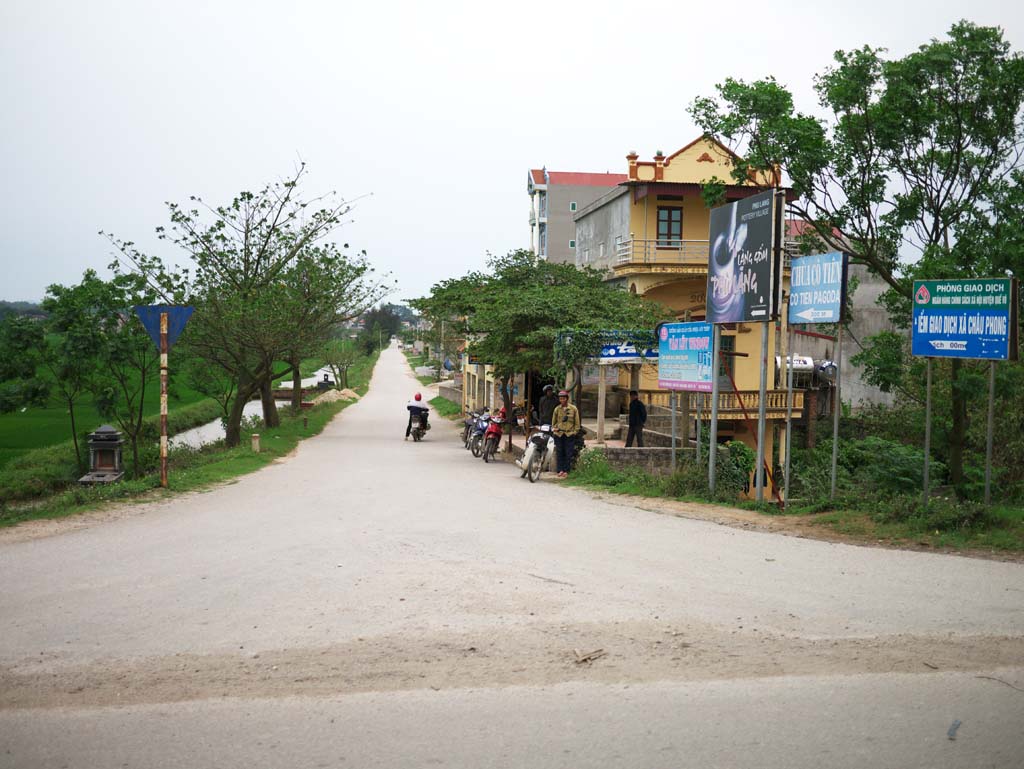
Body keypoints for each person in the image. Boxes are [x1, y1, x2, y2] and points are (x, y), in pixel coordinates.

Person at [551, 390, 580, 478]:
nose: (562, 400)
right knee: (560, 452)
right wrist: (555, 429)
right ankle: (560, 470)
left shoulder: (573, 409)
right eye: (560, 399)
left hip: (569, 434)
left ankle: (566, 470)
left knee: (568, 452)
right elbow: (554, 422)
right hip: (559, 434)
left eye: (563, 398)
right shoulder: (557, 409)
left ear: (567, 399)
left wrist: (575, 432)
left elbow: (577, 422)